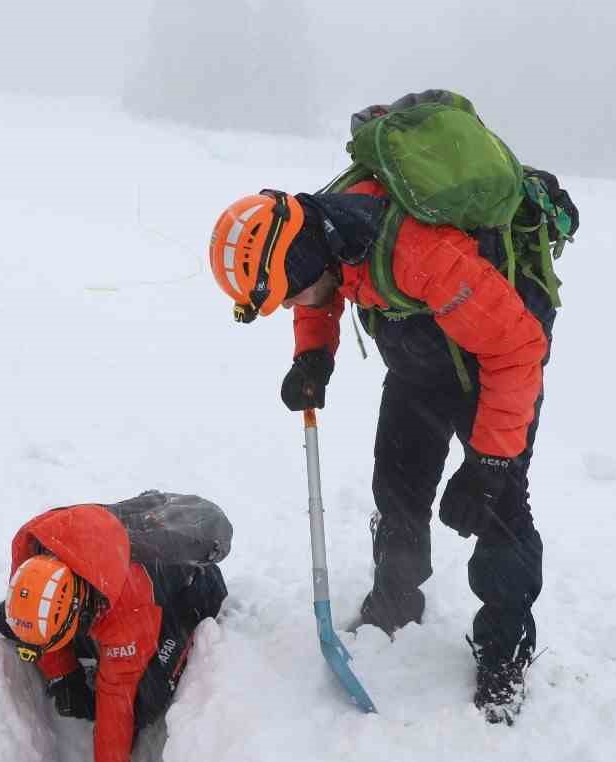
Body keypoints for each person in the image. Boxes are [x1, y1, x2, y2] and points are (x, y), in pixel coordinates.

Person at [209, 160, 574, 722]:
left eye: (288, 294)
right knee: (398, 488)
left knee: (499, 510)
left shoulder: (421, 254)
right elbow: (320, 289)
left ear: (304, 259)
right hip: (417, 362)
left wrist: (490, 464)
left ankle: (506, 650)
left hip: (495, 370)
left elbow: (517, 348)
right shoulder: (323, 228)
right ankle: (396, 598)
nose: (288, 305)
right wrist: (313, 353)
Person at [0, 502, 227, 762]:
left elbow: (117, 700)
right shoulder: (30, 551)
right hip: (105, 553)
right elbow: (40, 624)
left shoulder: (129, 607)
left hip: (184, 590)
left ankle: (183, 625)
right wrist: (62, 674)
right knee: (7, 624)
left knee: (143, 703)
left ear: (78, 614)